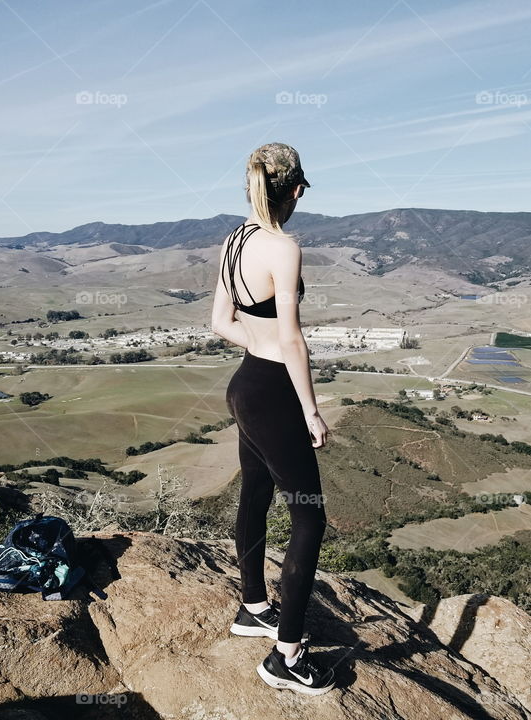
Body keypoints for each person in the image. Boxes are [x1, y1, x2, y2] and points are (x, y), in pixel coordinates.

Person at [210, 142, 335, 696]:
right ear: (292, 188)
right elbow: (292, 337)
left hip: (245, 385)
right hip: (275, 393)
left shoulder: (236, 240)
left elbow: (220, 321)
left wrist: (259, 352)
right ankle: (285, 657)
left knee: (255, 495)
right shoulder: (284, 247)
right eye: (301, 183)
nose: (304, 192)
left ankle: (253, 606)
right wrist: (311, 409)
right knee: (310, 519)